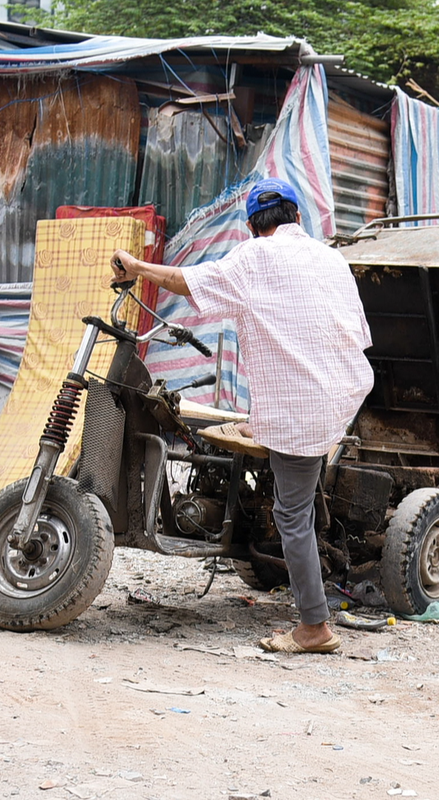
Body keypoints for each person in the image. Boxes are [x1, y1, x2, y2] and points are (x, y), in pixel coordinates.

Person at [111, 178, 373, 654]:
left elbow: (188, 282)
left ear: (253, 226)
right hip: (340, 397)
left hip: (304, 409)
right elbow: (353, 334)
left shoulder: (254, 259)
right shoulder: (331, 258)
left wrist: (135, 266)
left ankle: (314, 628)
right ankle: (274, 428)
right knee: (290, 480)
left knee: (289, 514)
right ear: (296, 217)